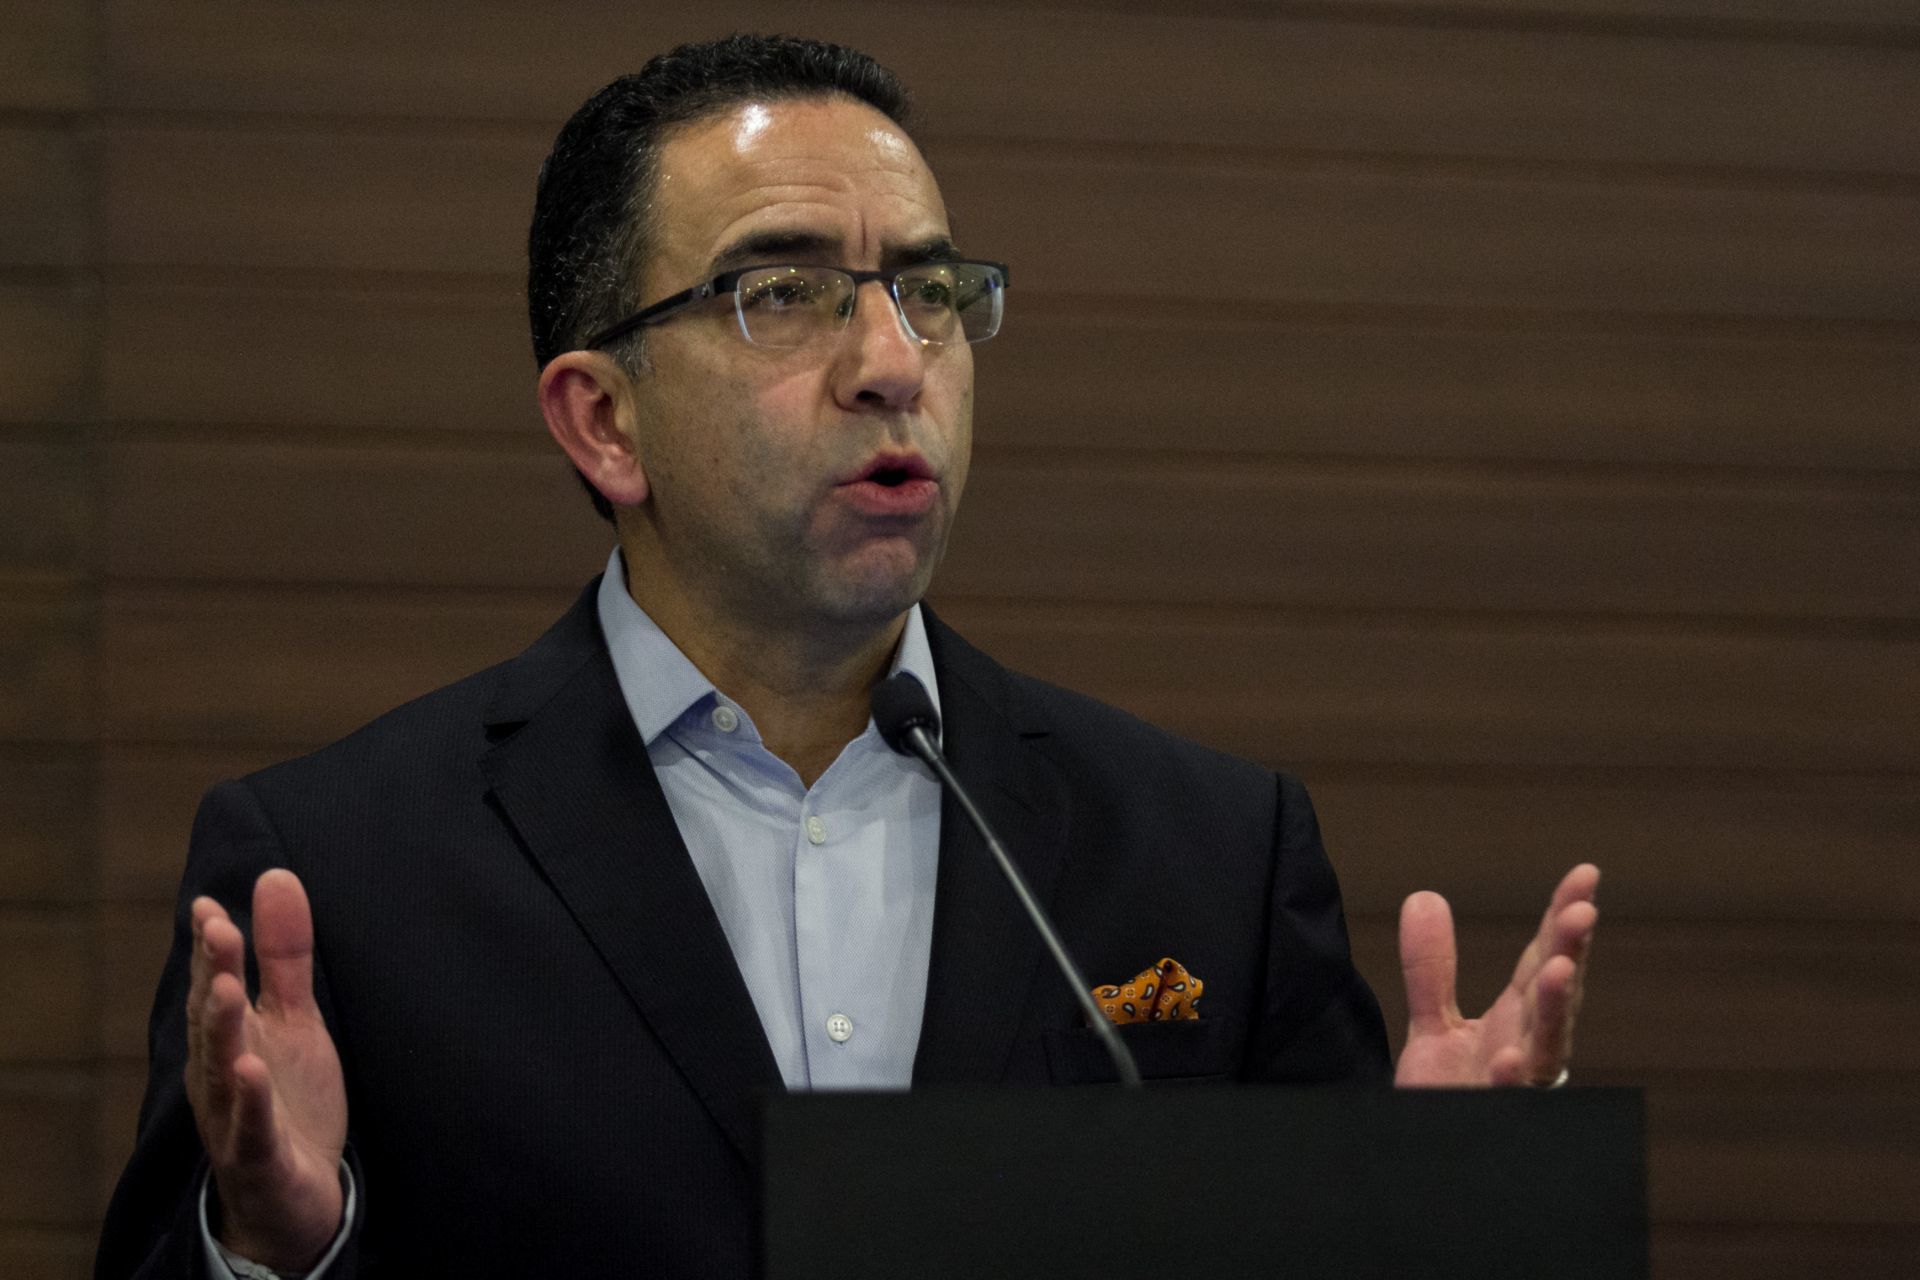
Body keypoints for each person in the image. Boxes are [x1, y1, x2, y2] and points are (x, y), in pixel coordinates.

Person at [96, 34, 1598, 1279]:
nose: (893, 364)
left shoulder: (1210, 852)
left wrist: (1443, 1220)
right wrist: (274, 1250)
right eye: (785, 293)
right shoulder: (336, 874)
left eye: (930, 293)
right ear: (603, 422)